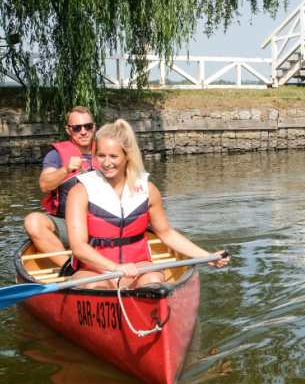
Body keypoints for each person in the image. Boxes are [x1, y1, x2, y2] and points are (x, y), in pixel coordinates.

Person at [66, 119, 228, 289]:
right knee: (95, 288)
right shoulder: (80, 191)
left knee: (152, 279)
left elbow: (166, 234)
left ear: (127, 154)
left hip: (136, 267)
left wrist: (208, 257)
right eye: (101, 156)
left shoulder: (148, 190)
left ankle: (148, 309)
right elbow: (78, 246)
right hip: (94, 270)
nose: (106, 163)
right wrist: (115, 267)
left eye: (113, 156)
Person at [23, 106, 99, 266]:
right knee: (33, 221)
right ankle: (69, 267)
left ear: (94, 126)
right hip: (67, 222)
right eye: (77, 128)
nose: (83, 131)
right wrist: (65, 170)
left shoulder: (105, 150)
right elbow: (44, 185)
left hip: (102, 221)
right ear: (68, 130)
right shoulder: (55, 156)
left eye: (88, 126)